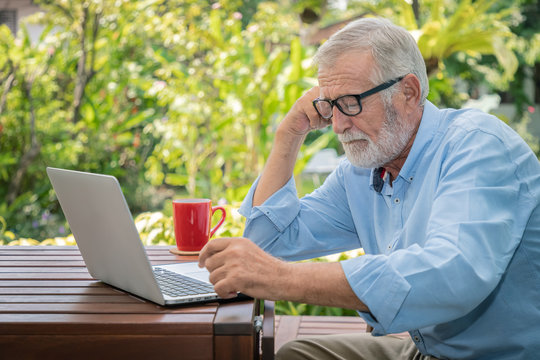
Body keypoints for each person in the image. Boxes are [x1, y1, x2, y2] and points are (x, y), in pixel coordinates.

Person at [198, 17, 540, 360]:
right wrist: (289, 134)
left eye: (350, 102)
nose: (337, 125)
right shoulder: (361, 173)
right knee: (297, 355)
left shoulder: (477, 145)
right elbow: (267, 244)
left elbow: (451, 276)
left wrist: (282, 278)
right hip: (427, 349)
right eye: (329, 106)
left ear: (409, 92)